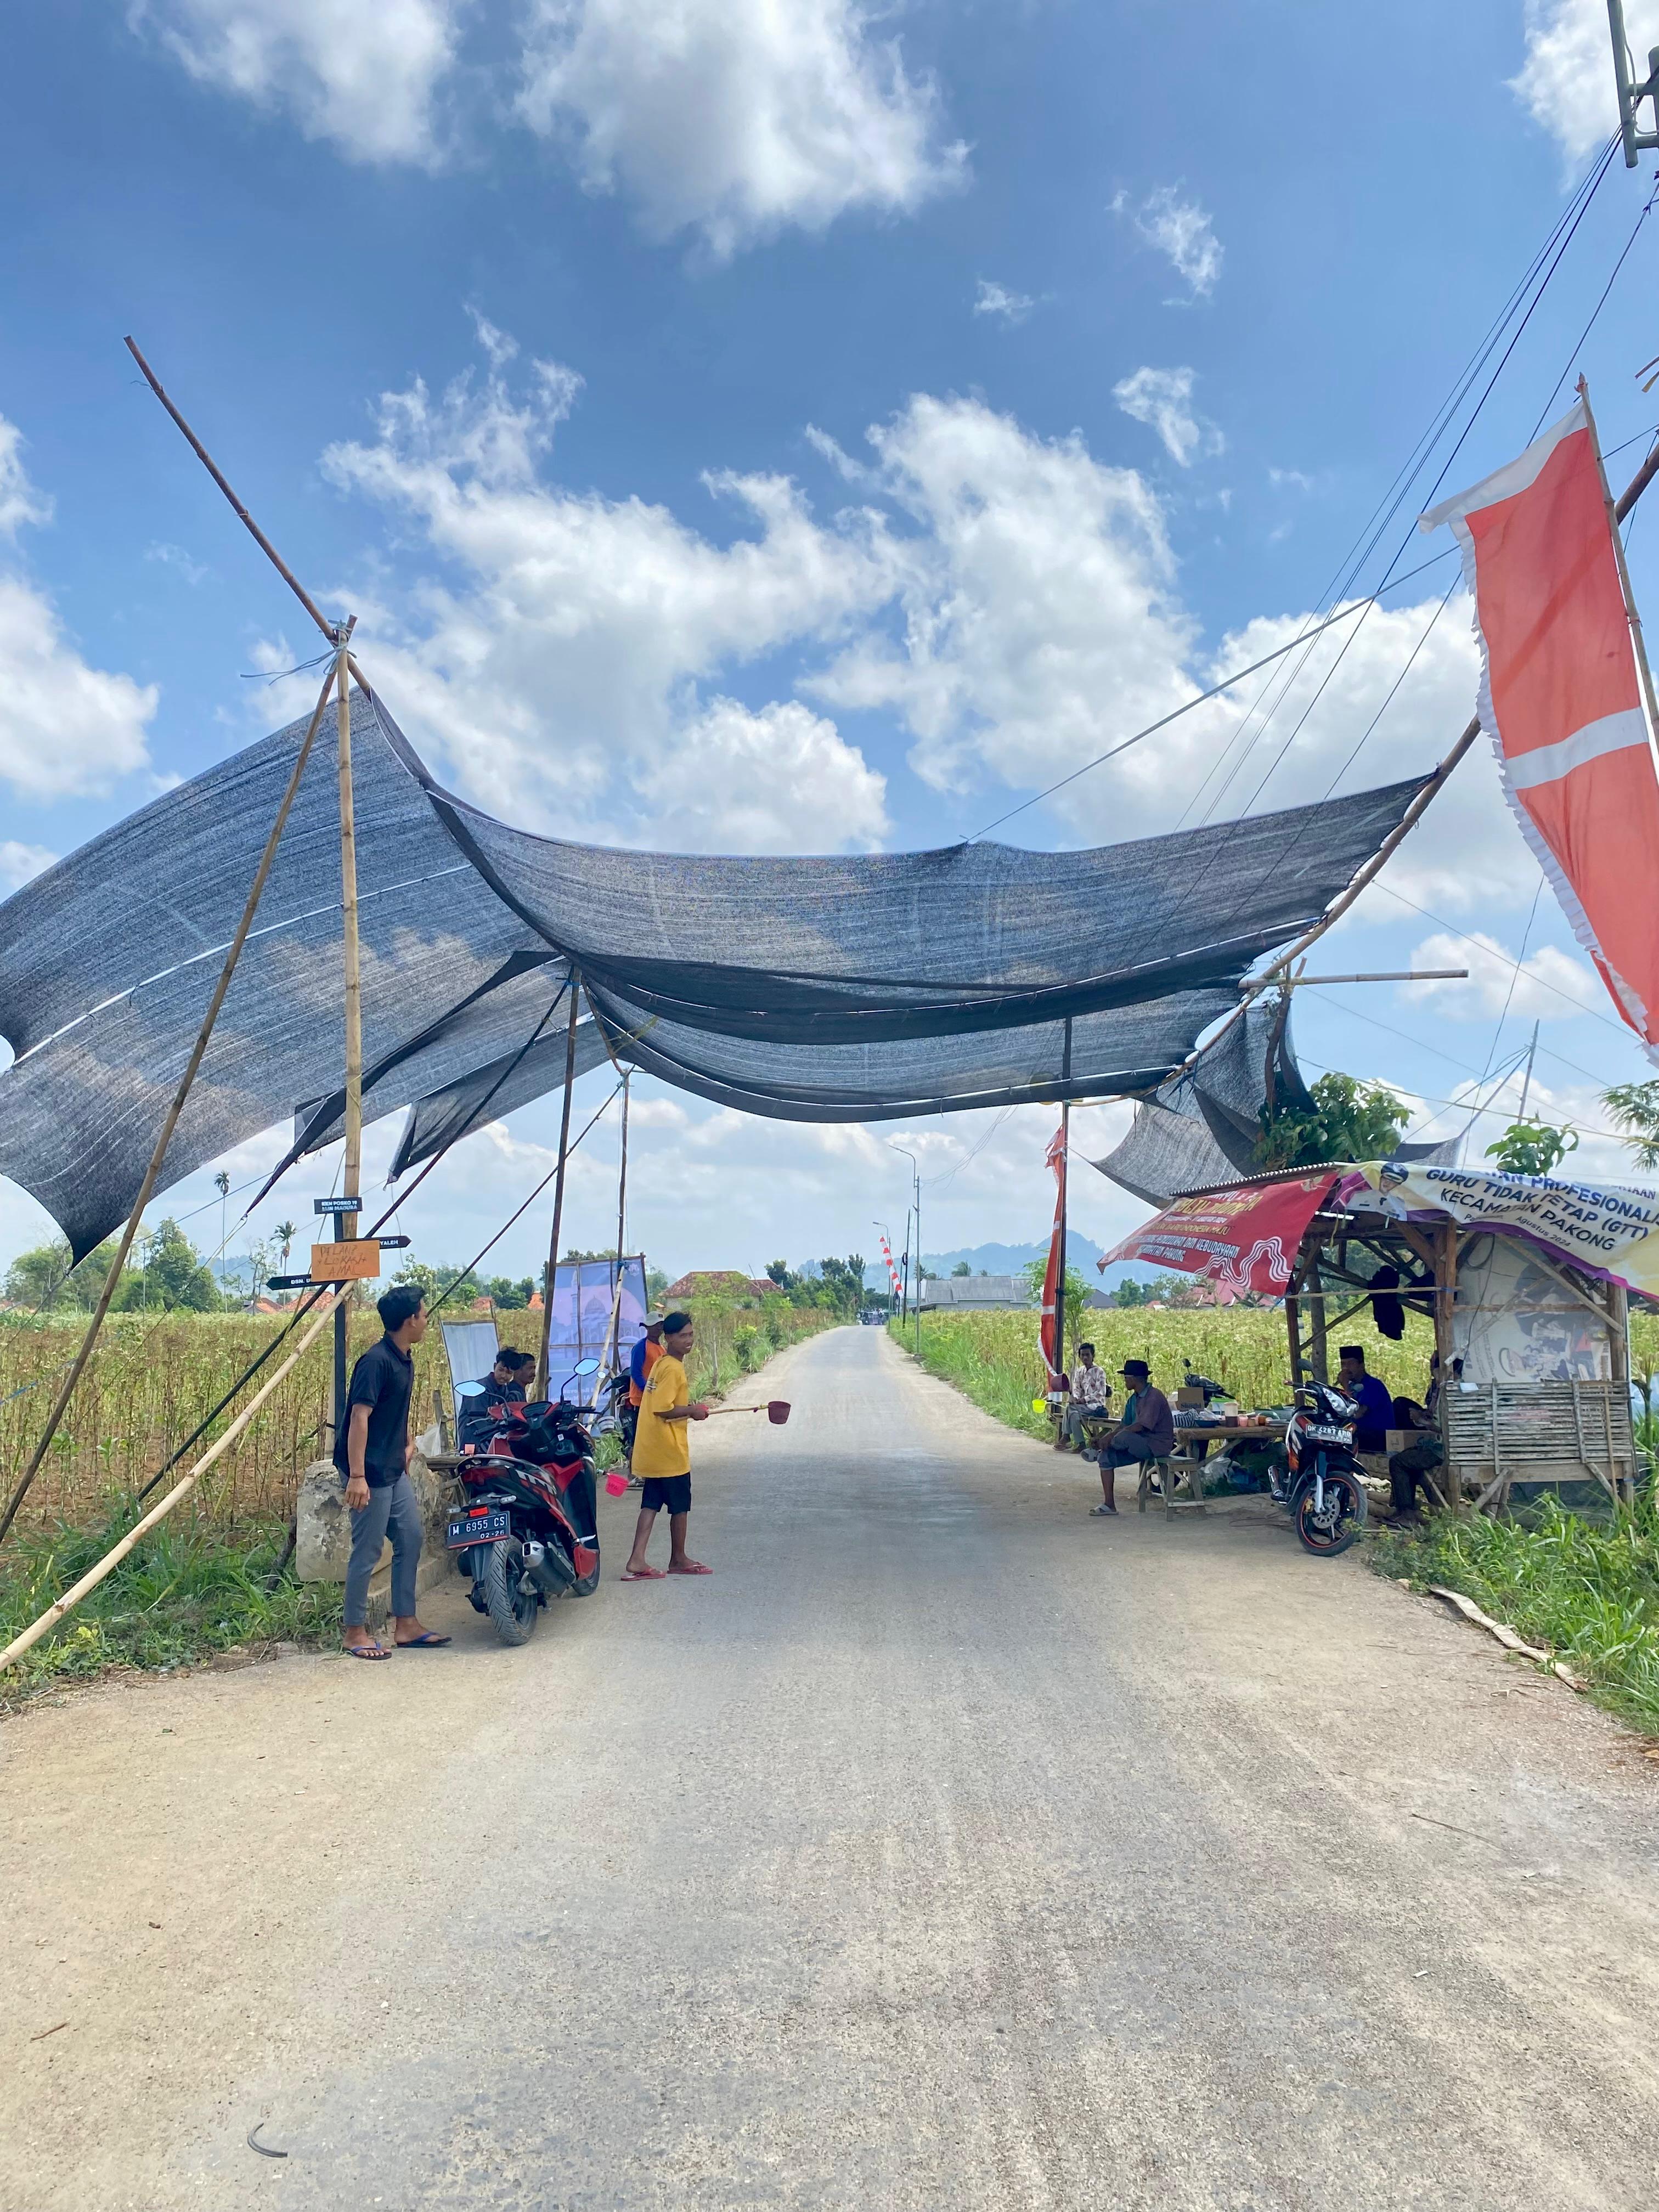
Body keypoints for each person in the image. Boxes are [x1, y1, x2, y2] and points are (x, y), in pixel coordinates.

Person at [335, 1284, 449, 1657]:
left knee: (411, 1538)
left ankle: (406, 1624)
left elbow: (391, 1411)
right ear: (409, 1320)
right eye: (423, 1314)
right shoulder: (376, 1361)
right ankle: (354, 1632)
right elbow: (359, 1418)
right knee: (367, 1550)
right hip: (368, 1471)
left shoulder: (404, 1357)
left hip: (392, 1468)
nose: (426, 1320)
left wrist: (406, 1443)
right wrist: (356, 1476)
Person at [622, 1311, 710, 1579]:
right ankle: (679, 1558)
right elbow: (663, 1409)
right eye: (682, 1336)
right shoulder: (672, 1367)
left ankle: (637, 1559)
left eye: (691, 1334)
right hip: (669, 1450)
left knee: (650, 1503)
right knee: (680, 1506)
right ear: (669, 1338)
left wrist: (690, 1410)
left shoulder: (661, 1361)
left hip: (654, 1449)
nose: (689, 1340)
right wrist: (693, 1410)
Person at [1092, 1358, 1175, 1516]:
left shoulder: (1154, 1397)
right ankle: (1109, 1505)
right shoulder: (1133, 1399)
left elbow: (1141, 1426)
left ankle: (1099, 1448)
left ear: (1135, 1379)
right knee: (1105, 1457)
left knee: (1122, 1438)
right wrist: (1108, 1436)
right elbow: (1125, 1424)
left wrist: (1111, 1439)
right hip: (1139, 1444)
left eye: (1126, 1378)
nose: (1125, 1382)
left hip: (1156, 1445)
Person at [1388, 1352, 1460, 1520]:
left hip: (1442, 1451)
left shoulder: (1448, 1392)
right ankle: (1408, 1510)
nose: (1434, 1374)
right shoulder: (1458, 1390)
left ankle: (1406, 1513)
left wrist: (1422, 1420)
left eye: (1435, 1369)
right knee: (1409, 1459)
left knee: (1397, 1462)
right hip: (1448, 1447)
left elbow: (1443, 1429)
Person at [624, 1313, 666, 1482]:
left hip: (655, 1400)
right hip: (640, 1400)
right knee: (638, 1437)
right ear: (647, 1328)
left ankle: (649, 1471)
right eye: (655, 1325)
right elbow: (636, 1373)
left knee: (651, 1437)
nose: (658, 1328)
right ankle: (633, 1474)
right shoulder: (642, 1347)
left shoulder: (662, 1349)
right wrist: (647, 1390)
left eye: (660, 1325)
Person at [1336, 1345, 1394, 1454]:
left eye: (1351, 1364)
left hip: (1380, 1437)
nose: (1346, 1369)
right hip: (1361, 1433)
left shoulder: (1373, 1385)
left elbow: (1357, 1414)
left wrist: (1346, 1387)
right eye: (1343, 1364)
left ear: (1361, 1366)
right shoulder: (1353, 1386)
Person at [1057, 1343, 1113, 1452]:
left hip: (1096, 1407)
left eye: (1088, 1355)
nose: (1085, 1358)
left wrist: (1085, 1399)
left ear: (1093, 1356)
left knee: (1070, 1409)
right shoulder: (1080, 1371)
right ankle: (1081, 1444)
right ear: (1080, 1357)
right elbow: (1077, 1389)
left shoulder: (1099, 1372)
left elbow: (1101, 1393)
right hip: (1082, 1407)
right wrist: (1076, 1399)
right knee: (1073, 1414)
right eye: (1083, 1355)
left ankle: (1067, 1436)